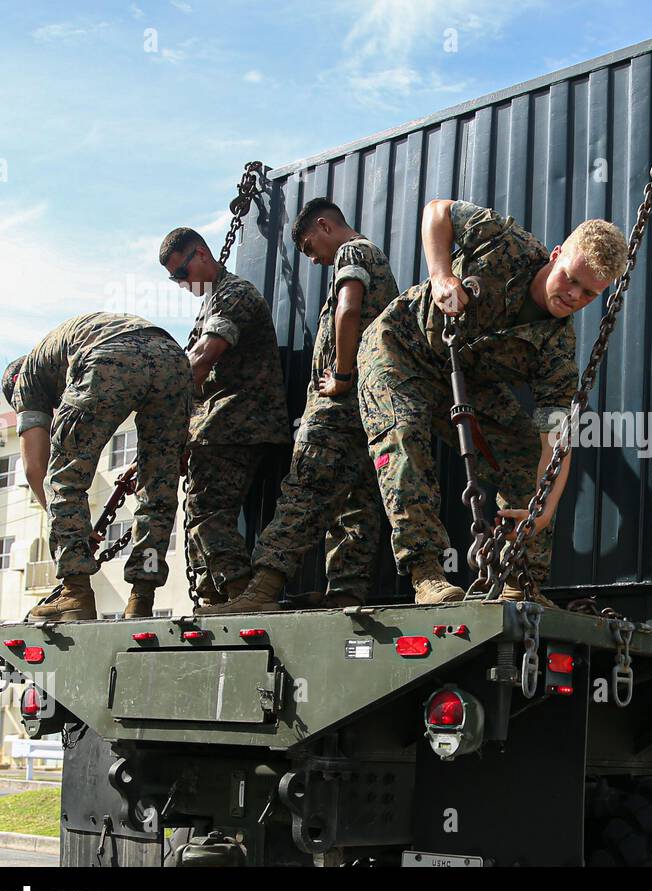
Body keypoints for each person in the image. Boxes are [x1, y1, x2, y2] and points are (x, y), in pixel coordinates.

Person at [357, 199, 627, 605]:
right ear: (556, 256)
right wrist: (441, 275)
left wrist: (545, 510)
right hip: (401, 348)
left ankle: (519, 581)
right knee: (404, 433)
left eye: (590, 293)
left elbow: (556, 440)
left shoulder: (557, 349)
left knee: (525, 456)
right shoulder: (503, 242)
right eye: (570, 279)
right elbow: (436, 211)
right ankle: (427, 573)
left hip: (465, 379)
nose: (574, 295)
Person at [202, 199, 397, 614]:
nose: (312, 258)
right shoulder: (377, 259)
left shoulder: (353, 251)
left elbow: (348, 309)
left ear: (325, 227)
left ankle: (262, 589)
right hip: (369, 405)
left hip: (338, 405)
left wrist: (341, 375)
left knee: (303, 491)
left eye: (310, 247)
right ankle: (346, 589)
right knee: (356, 499)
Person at [2, 313, 190, 621]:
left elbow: (35, 470)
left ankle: (75, 594)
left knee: (64, 479)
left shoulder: (25, 379)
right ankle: (141, 597)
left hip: (108, 353)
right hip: (172, 356)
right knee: (157, 488)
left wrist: (72, 529)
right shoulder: (62, 348)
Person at [159, 227, 289, 610]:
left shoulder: (235, 294)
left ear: (201, 253)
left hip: (236, 423)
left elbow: (200, 362)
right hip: (219, 426)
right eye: (174, 279)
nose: (181, 284)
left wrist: (169, 424)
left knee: (207, 513)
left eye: (182, 273)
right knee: (204, 514)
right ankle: (216, 595)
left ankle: (242, 593)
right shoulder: (211, 303)